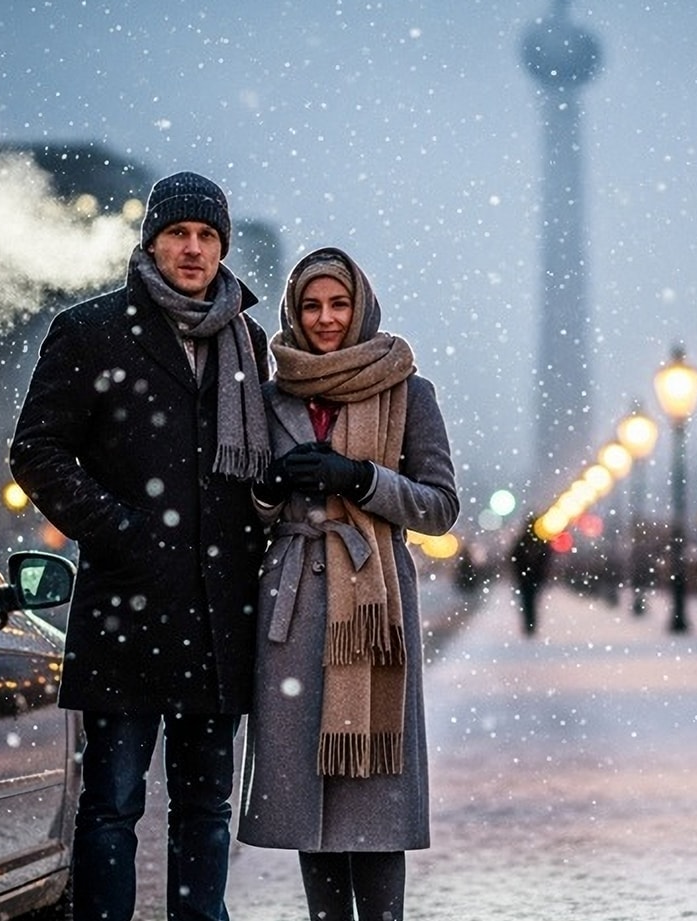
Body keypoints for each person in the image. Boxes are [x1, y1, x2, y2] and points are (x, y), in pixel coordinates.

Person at [9, 171, 270, 921]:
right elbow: (37, 452)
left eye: (206, 236)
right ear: (151, 242)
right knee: (113, 803)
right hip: (125, 608)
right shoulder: (90, 330)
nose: (192, 249)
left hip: (218, 616)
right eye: (177, 234)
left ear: (222, 246)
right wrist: (122, 530)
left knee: (204, 809)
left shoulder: (246, 342)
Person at [237, 247, 459, 921]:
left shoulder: (406, 391)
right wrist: (270, 490)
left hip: (372, 609)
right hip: (297, 609)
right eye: (311, 305)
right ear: (293, 313)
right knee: (312, 797)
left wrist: (360, 480)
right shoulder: (270, 395)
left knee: (374, 793)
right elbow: (245, 504)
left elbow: (440, 505)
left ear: (359, 307)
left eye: (338, 304)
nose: (326, 318)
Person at [509, 516, 554, 636]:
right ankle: (531, 624)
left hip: (526, 578)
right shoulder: (538, 540)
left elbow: (514, 558)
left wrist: (521, 571)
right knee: (532, 601)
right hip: (534, 578)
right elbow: (546, 556)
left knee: (527, 602)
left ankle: (529, 624)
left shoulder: (523, 540)